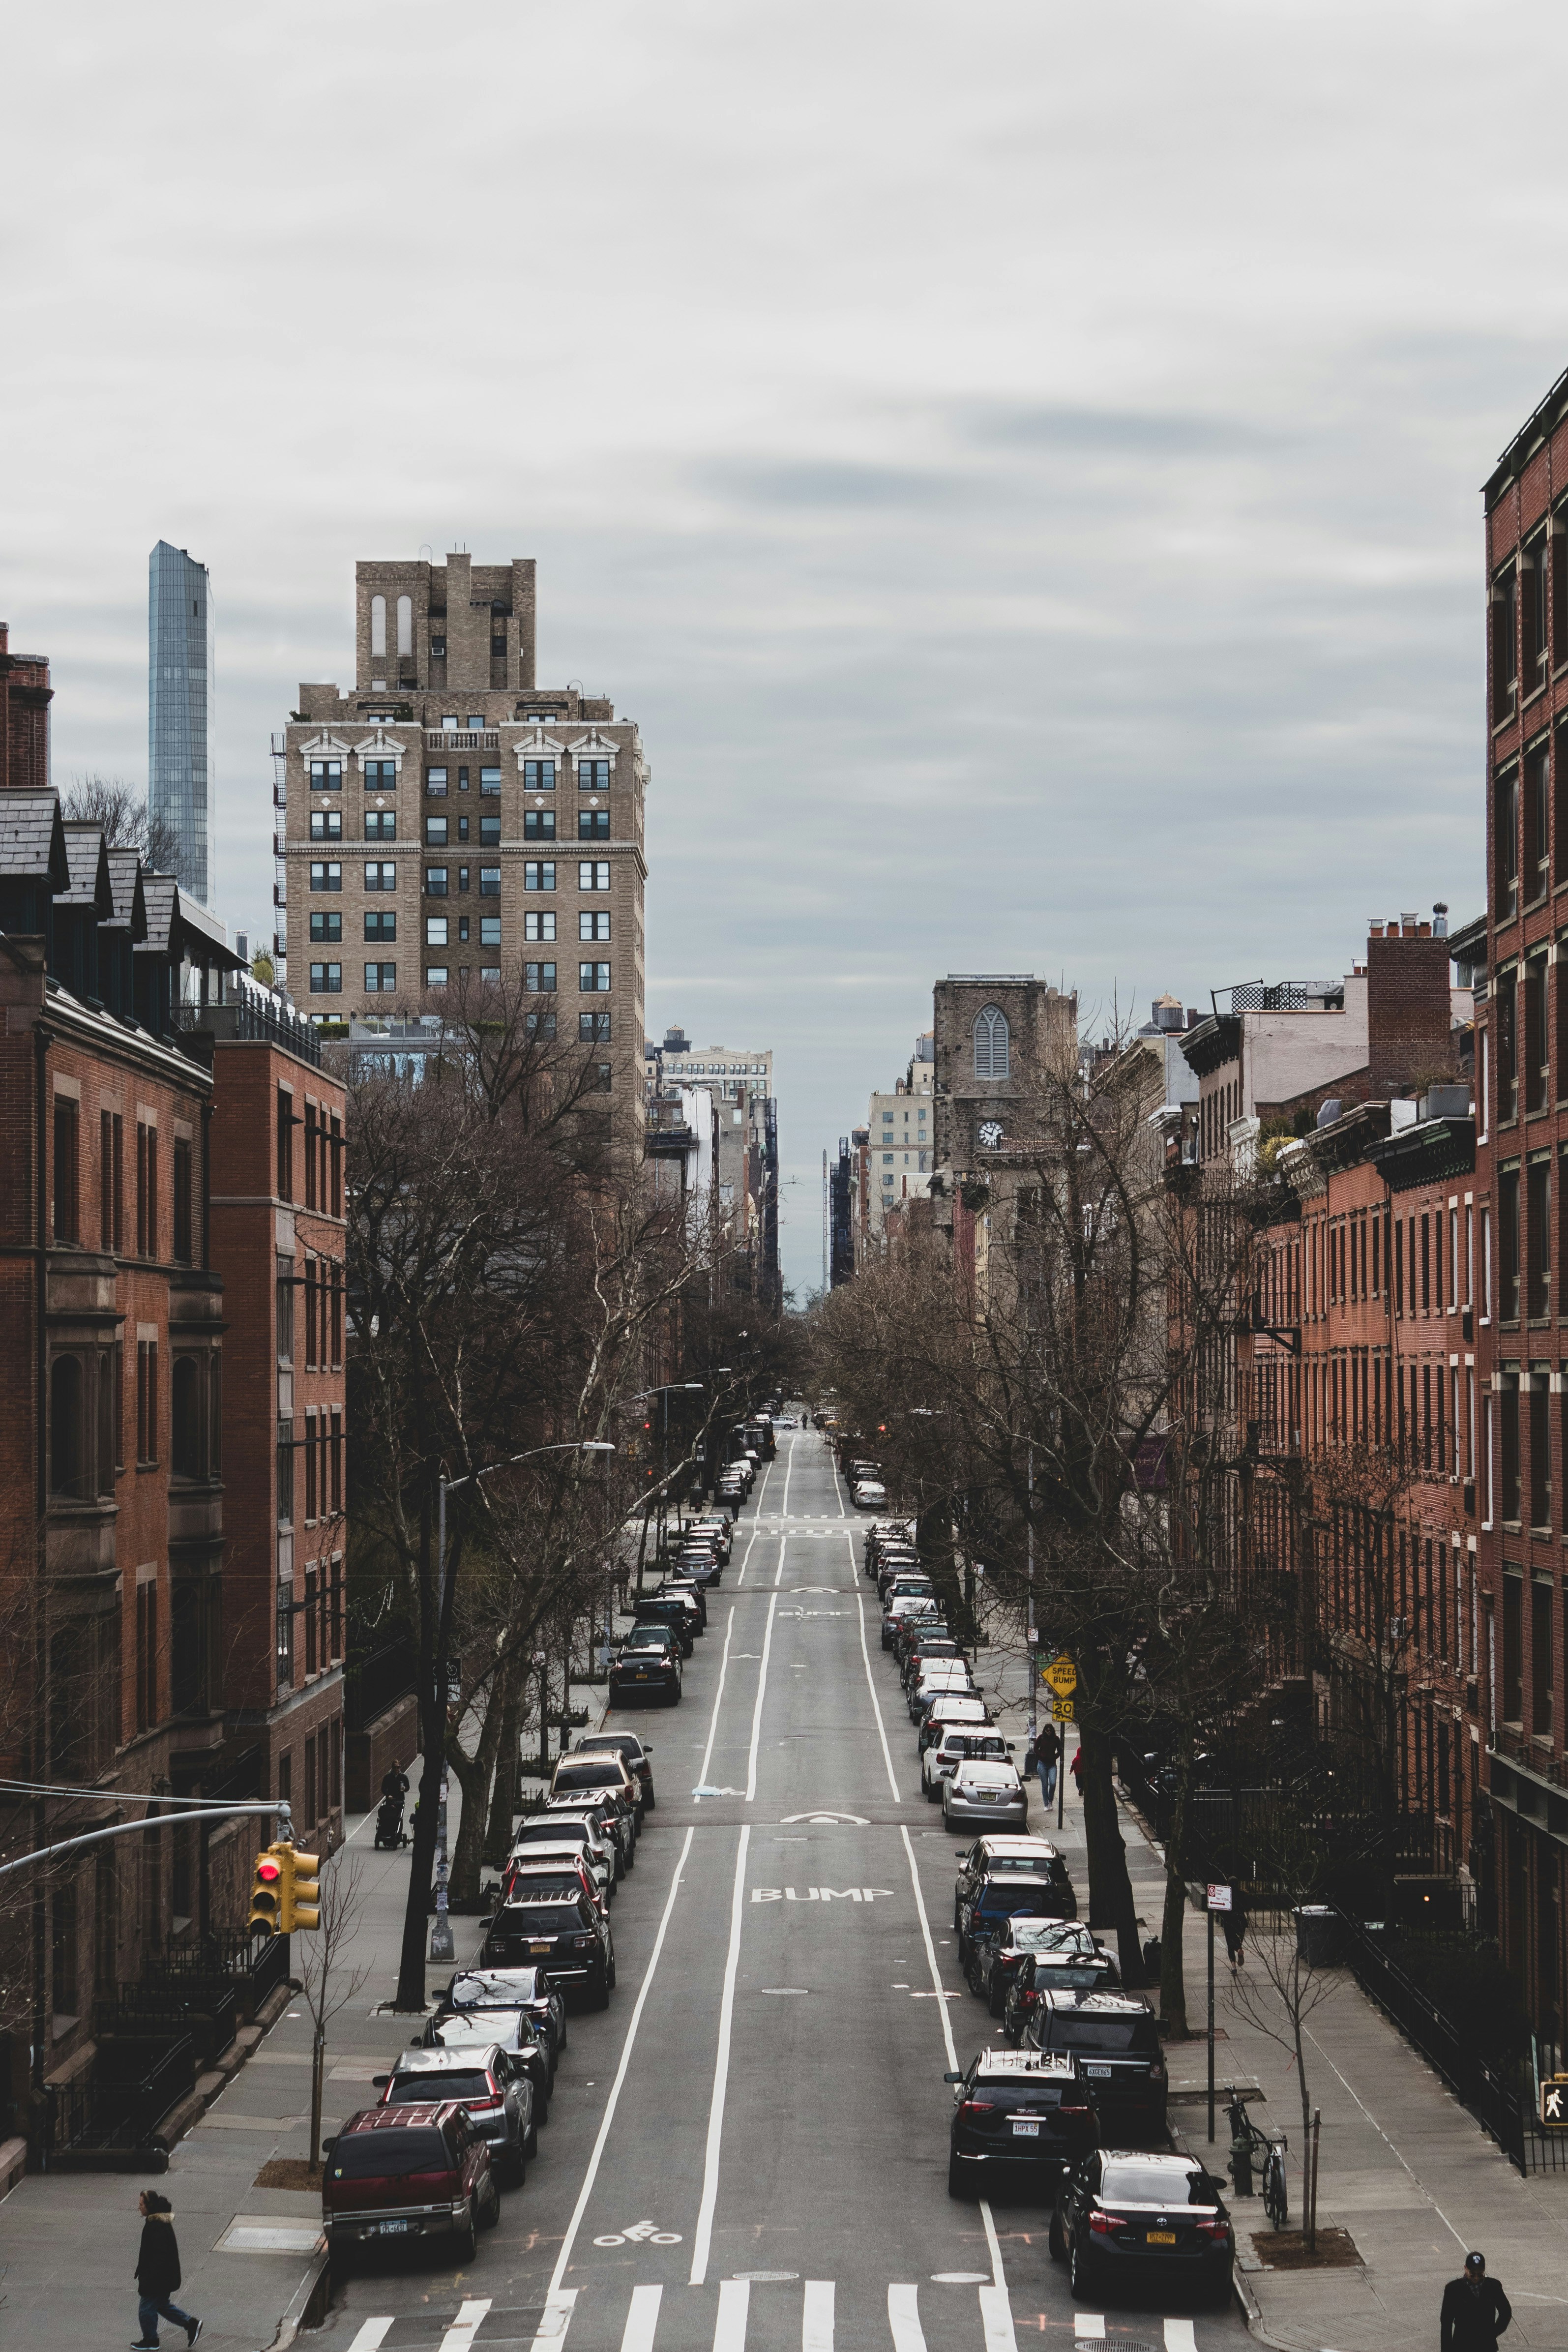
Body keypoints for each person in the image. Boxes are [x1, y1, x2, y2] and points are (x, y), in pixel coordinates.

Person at [132, 2190, 202, 2350]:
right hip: (163, 2278)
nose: (139, 2207)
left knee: (145, 2309)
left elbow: (158, 2257)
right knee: (161, 2306)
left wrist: (148, 2279)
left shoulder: (156, 2226)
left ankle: (151, 2340)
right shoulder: (156, 2223)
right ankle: (191, 2324)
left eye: (141, 2204)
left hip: (157, 2279)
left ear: (149, 2206)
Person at [1440, 2252, 1512, 2352]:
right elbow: (1446, 2323)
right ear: (1465, 2268)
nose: (1476, 2278)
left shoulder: (1494, 2286)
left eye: (1480, 2274)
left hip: (1487, 2346)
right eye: (1472, 2274)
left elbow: (1506, 2312)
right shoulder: (1453, 2289)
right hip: (1462, 2345)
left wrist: (1492, 2334)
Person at [1034, 1718, 1060, 1808]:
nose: (1049, 1732)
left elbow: (1060, 1750)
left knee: (1053, 1783)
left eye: (1050, 1730)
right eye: (1047, 1730)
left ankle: (1050, 1801)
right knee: (1045, 1785)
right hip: (1042, 1764)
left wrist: (1055, 1757)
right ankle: (1046, 1804)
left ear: (1053, 1731)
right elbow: (1036, 1748)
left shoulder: (1056, 1739)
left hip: (1052, 1764)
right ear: (1045, 1731)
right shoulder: (1041, 1738)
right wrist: (1041, 1755)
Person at [1221, 1895, 1248, 1970]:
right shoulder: (1241, 1894)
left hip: (1229, 1918)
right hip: (1240, 1920)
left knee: (1230, 1944)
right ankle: (1239, 1949)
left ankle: (1234, 1967)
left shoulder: (1226, 1893)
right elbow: (1247, 1906)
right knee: (1238, 1940)